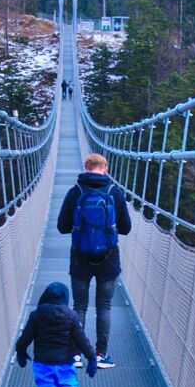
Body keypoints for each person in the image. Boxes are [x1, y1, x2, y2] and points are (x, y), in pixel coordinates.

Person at [57, 151, 131, 367]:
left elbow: (62, 227)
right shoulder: (114, 192)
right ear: (105, 169)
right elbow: (126, 228)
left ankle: (76, 354)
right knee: (104, 306)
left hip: (80, 257)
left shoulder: (75, 191)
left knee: (79, 305)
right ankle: (100, 355)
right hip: (108, 258)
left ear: (86, 168)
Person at [15, 280, 97, 387]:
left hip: (43, 362)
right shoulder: (71, 316)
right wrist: (91, 357)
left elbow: (26, 337)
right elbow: (81, 339)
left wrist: (20, 351)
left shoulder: (36, 315)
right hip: (65, 361)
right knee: (67, 384)